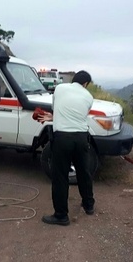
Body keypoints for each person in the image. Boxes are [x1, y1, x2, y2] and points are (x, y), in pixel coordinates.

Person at [38, 70, 95, 226]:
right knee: (84, 172)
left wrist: (53, 117)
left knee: (60, 176)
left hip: (63, 138)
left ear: (73, 80)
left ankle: (61, 215)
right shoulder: (89, 97)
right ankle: (89, 205)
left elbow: (57, 109)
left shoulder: (60, 88)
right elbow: (79, 115)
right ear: (86, 84)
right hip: (82, 138)